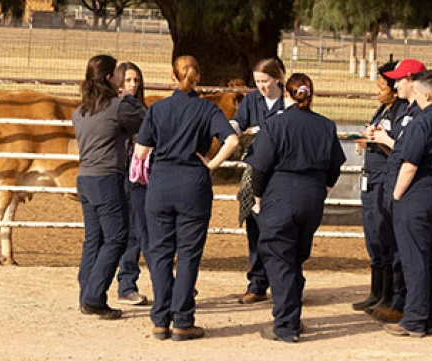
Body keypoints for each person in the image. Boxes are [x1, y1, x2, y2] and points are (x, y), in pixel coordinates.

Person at [134, 56, 239, 341]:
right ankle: (182, 320)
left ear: (172, 76)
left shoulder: (157, 110)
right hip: (194, 183)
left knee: (160, 253)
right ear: (198, 77)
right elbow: (232, 140)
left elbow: (141, 151)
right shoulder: (208, 109)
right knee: (189, 254)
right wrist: (212, 164)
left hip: (160, 185)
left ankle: (159, 319)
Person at [249, 73, 346, 342]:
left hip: (280, 194)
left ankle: (286, 325)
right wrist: (322, 189)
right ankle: (293, 315)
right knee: (295, 257)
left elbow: (260, 167)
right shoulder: (326, 126)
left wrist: (257, 199)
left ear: (287, 94)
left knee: (279, 259)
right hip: (312, 196)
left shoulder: (275, 125)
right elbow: (336, 165)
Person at [385, 69, 432, 338]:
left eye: (416, 92)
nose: (414, 97)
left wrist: (396, 196)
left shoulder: (421, 123)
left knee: (414, 257)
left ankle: (414, 319)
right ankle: (429, 316)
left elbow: (409, 165)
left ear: (427, 94)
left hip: (418, 194)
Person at [71, 54, 146, 320]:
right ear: (108, 78)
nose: (120, 77)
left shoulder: (80, 111)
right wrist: (128, 99)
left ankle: (87, 294)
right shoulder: (118, 106)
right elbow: (146, 122)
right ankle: (94, 298)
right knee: (116, 238)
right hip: (107, 178)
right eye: (117, 73)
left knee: (94, 239)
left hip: (85, 178)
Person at [367, 57, 426, 323]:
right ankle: (392, 298)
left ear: (412, 80)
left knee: (404, 250)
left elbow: (408, 153)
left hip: (405, 189)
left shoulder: (416, 114)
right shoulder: (404, 111)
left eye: (400, 79)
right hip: (392, 183)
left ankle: (404, 304)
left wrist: (385, 140)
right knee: (389, 243)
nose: (397, 84)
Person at [352, 61, 411, 313]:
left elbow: (400, 148)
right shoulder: (383, 110)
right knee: (373, 237)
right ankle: (376, 292)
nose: (377, 92)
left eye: (382, 87)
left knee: (385, 236)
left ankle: (389, 295)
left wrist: (377, 141)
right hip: (370, 178)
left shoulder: (401, 112)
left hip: (383, 179)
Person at [229, 57, 287, 304]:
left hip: (282, 171)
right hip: (256, 169)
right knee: (255, 227)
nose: (262, 86)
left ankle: (286, 284)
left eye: (265, 81)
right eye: (258, 82)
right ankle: (257, 282)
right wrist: (232, 129)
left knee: (282, 230)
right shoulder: (252, 100)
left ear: (277, 79)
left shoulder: (289, 99)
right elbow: (238, 122)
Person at [115, 62, 150, 306]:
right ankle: (126, 284)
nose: (133, 85)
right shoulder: (123, 108)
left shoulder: (139, 107)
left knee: (145, 230)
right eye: (128, 80)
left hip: (142, 175)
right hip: (127, 175)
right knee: (134, 231)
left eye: (136, 80)